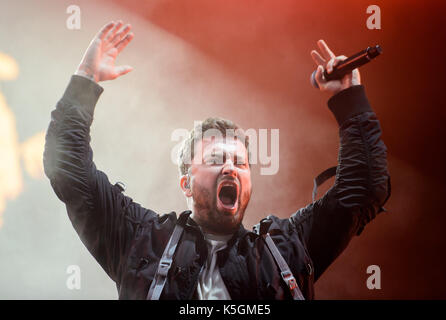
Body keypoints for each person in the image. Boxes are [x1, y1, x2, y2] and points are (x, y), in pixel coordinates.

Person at [43, 21, 390, 300]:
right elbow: (69, 171)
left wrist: (350, 98)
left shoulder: (286, 247)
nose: (230, 167)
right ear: (186, 183)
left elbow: (363, 190)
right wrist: (85, 82)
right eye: (216, 159)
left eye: (240, 163)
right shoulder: (141, 239)